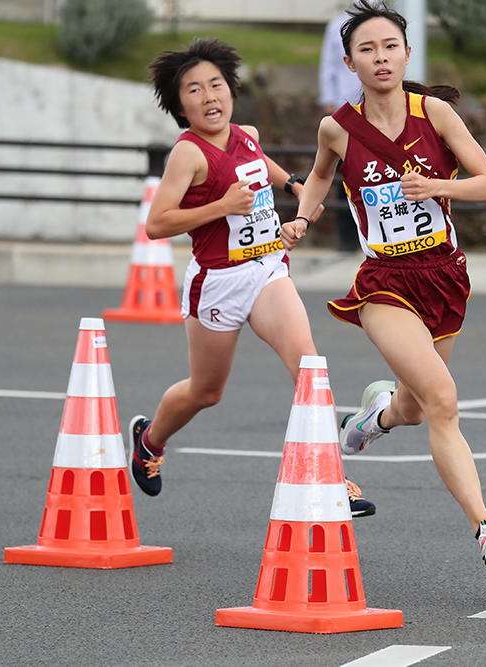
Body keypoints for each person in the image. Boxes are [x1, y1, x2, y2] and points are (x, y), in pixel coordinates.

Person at [281, 0, 486, 569]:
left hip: (443, 275)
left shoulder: (434, 113)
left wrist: (439, 186)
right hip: (383, 283)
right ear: (349, 62)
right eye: (367, 49)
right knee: (443, 399)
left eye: (390, 46)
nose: (380, 57)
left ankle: (373, 419)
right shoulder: (337, 128)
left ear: (407, 53)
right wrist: (303, 218)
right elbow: (318, 177)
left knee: (415, 408)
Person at [130, 38, 375, 518]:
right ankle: (149, 439)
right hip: (217, 281)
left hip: (266, 268)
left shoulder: (246, 134)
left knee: (309, 366)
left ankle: (333, 478)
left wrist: (293, 185)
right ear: (179, 105)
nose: (209, 96)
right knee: (207, 391)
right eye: (195, 90)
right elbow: (157, 224)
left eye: (216, 84)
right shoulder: (188, 155)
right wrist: (221, 207)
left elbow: (257, 164)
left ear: (231, 89)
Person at [318, 7, 362, 252]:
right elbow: (329, 66)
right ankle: (348, 240)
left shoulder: (385, 21)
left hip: (379, 110)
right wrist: (329, 101)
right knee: (344, 174)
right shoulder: (337, 25)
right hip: (346, 110)